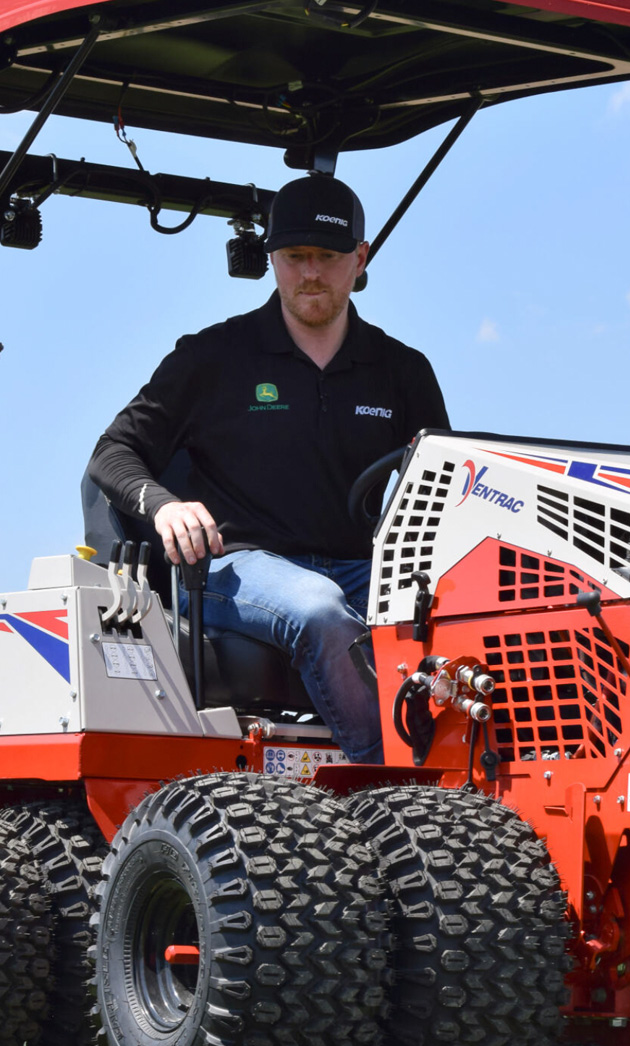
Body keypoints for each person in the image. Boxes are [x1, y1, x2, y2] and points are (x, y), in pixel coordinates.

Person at [86, 175, 450, 764]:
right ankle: (397, 790)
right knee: (319, 610)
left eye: (328, 257)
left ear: (360, 258)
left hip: (365, 566)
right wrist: (164, 505)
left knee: (481, 610)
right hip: (237, 567)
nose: (310, 273)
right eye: (294, 257)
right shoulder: (214, 357)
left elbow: (446, 486)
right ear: (272, 259)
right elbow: (112, 453)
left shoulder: (401, 370)